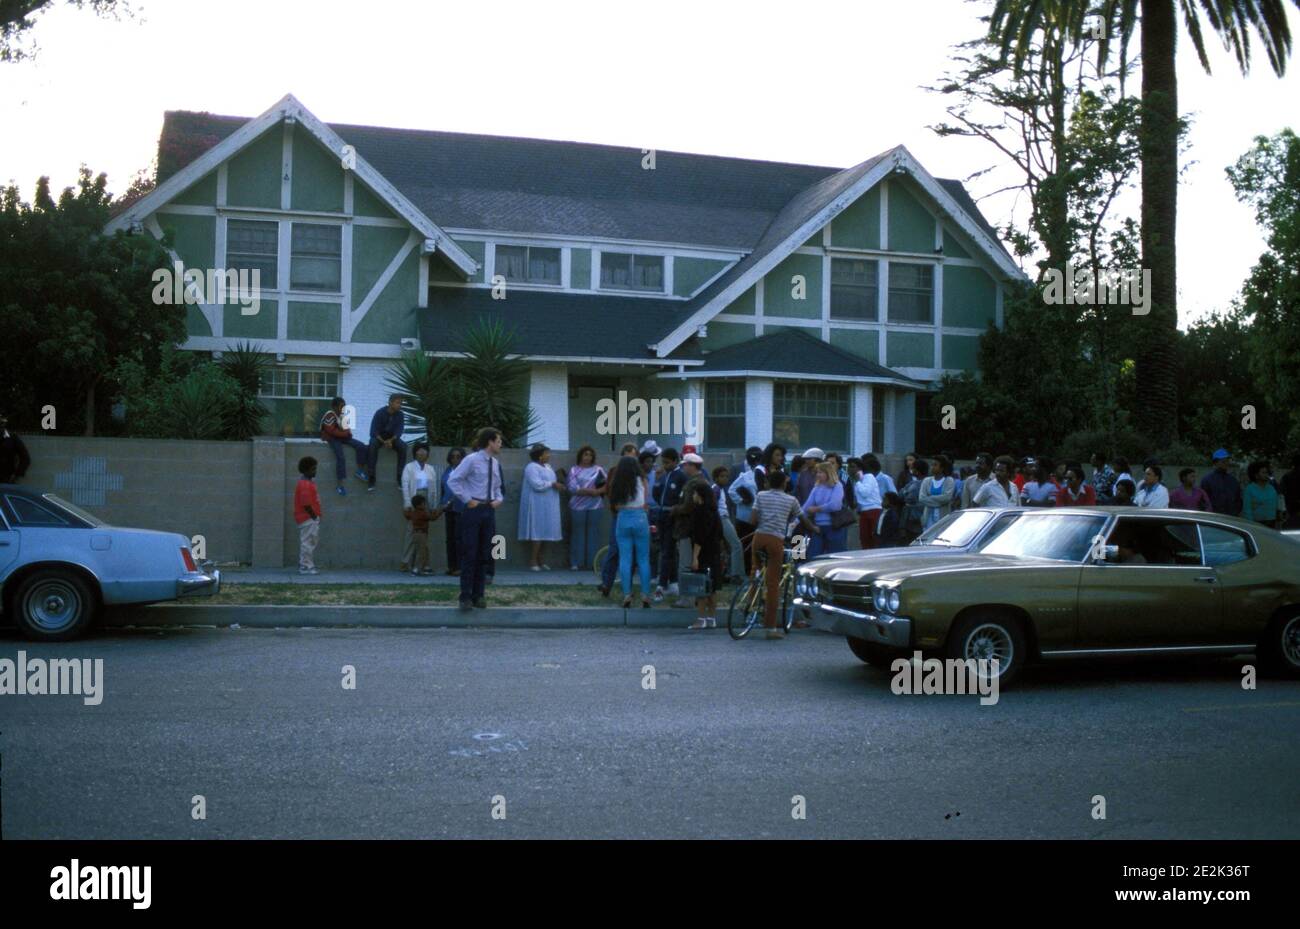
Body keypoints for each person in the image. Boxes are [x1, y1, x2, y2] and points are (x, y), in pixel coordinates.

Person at [750, 470, 819, 640]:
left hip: (758, 538)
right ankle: (771, 628)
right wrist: (814, 528)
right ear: (784, 484)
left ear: (768, 483)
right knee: (773, 584)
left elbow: (753, 519)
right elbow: (803, 520)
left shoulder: (761, 495)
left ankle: (750, 605)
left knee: (756, 572)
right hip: (776, 540)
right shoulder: (791, 500)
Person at [446, 427, 505, 611]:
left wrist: (498, 500)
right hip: (474, 510)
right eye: (498, 441)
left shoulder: (495, 463)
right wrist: (467, 499)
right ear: (490, 442)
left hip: (488, 510)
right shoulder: (471, 460)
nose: (500, 444)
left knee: (484, 554)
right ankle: (465, 596)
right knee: (469, 553)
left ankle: (479, 595)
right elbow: (453, 480)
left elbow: (497, 486)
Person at [609, 455, 653, 609]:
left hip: (623, 517)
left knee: (625, 558)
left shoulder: (617, 482)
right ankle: (646, 595)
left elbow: (613, 503)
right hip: (640, 516)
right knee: (643, 559)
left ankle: (627, 594)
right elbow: (646, 499)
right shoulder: (642, 480)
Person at [598, 443, 640, 597]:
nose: (630, 458)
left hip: (635, 517)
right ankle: (606, 583)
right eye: (627, 454)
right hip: (620, 516)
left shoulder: (638, 474)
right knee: (614, 549)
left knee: (630, 553)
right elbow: (610, 491)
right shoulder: (615, 472)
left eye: (633, 455)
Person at [684, 480, 725, 630]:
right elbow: (720, 534)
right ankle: (711, 618)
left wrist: (695, 557)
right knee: (712, 588)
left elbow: (699, 537)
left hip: (703, 554)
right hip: (714, 552)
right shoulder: (714, 511)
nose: (693, 496)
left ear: (700, 495)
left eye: (695, 493)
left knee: (700, 588)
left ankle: (701, 619)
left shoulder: (699, 512)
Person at [518, 443, 564, 570]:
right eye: (546, 453)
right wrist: (552, 484)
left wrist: (557, 484)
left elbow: (550, 482)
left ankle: (541, 560)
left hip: (549, 505)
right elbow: (536, 485)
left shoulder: (548, 467)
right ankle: (533, 561)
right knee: (537, 531)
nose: (549, 455)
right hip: (536, 504)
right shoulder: (531, 467)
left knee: (546, 532)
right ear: (539, 456)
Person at [653, 448, 686, 601]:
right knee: (667, 550)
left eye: (667, 462)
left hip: (673, 516)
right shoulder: (664, 476)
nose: (664, 465)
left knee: (667, 550)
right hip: (662, 514)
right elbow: (657, 495)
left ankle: (661, 585)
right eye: (663, 462)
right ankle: (673, 583)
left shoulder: (680, 476)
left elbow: (682, 497)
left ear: (675, 461)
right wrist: (657, 482)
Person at [319, 396, 369, 496]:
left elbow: (348, 432)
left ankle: (360, 470)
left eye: (344, 406)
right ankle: (340, 485)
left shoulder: (342, 417)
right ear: (334, 406)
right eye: (341, 406)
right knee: (340, 457)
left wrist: (346, 433)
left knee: (361, 446)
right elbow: (331, 430)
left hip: (341, 437)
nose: (343, 408)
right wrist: (345, 434)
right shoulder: (330, 415)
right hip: (331, 438)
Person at [566, 446, 606, 571]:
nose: (587, 457)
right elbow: (573, 488)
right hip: (577, 506)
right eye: (585, 454)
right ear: (580, 456)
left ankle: (592, 563)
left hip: (595, 505)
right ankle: (576, 562)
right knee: (578, 533)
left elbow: (607, 484)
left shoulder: (599, 469)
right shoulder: (574, 470)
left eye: (590, 455)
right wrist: (591, 492)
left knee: (593, 533)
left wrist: (598, 491)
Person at [400, 443, 438, 572]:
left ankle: (422, 563)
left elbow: (434, 489)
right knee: (412, 531)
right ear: (415, 453)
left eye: (425, 451)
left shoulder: (430, 469)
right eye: (419, 451)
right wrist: (407, 503)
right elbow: (405, 486)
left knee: (424, 533)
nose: (422, 454)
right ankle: (405, 562)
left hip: (426, 501)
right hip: (414, 500)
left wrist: (433, 505)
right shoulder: (409, 467)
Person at [805, 461, 846, 557]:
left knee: (835, 557)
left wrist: (816, 509)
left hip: (834, 527)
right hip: (818, 528)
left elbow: (835, 505)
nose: (818, 475)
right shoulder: (817, 488)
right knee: (813, 556)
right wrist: (795, 521)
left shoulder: (837, 485)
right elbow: (807, 506)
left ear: (828, 473)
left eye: (820, 472)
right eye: (817, 472)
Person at [367, 394, 408, 492]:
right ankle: (371, 477)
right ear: (390, 402)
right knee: (372, 444)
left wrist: (391, 440)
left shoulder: (400, 415)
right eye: (398, 403)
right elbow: (373, 431)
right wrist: (384, 442)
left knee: (403, 447)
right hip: (379, 438)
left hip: (392, 439)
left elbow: (399, 431)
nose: (400, 405)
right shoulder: (380, 413)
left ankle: (400, 477)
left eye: (400, 403)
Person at [712, 465, 745, 582]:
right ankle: (736, 574)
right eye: (722, 476)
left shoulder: (720, 489)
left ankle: (729, 572)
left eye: (726, 476)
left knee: (729, 547)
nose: (725, 479)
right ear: (715, 478)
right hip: (721, 518)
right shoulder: (715, 489)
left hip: (724, 518)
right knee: (736, 545)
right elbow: (714, 507)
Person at [439, 447, 467, 575]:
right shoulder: (447, 471)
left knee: (459, 538)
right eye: (453, 456)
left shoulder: (465, 472)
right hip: (447, 508)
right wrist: (442, 503)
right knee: (449, 538)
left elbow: (461, 489)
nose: (455, 459)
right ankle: (452, 566)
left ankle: (460, 567)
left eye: (458, 456)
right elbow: (443, 488)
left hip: (460, 507)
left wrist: (450, 502)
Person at [293, 456, 322, 575]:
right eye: (313, 469)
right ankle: (305, 566)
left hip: (310, 518)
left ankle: (307, 564)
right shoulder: (305, 484)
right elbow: (306, 504)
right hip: (307, 518)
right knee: (307, 542)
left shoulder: (308, 483)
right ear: (306, 470)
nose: (315, 471)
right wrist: (314, 517)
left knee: (311, 541)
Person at [851, 456, 883, 549]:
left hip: (873, 510)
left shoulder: (869, 477)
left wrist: (858, 482)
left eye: (853, 467)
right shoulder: (857, 480)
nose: (851, 469)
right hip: (863, 511)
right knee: (864, 537)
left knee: (873, 537)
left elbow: (865, 493)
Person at [1200, 449, 1243, 516]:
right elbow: (1203, 501)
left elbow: (1238, 499)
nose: (1226, 463)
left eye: (1227, 461)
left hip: (1231, 517)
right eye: (1223, 461)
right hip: (1214, 517)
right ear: (1216, 463)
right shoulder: (1207, 480)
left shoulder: (1233, 480)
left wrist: (1235, 511)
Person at [919, 455, 956, 528]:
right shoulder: (926, 481)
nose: (932, 467)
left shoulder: (949, 480)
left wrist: (930, 498)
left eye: (935, 465)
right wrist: (939, 503)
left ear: (942, 468)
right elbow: (922, 498)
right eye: (932, 465)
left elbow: (946, 498)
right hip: (928, 518)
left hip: (943, 518)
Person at [1242, 460, 1280, 528]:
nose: (1266, 475)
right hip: (1257, 524)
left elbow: (1277, 506)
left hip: (1272, 523)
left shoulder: (1272, 488)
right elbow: (1247, 510)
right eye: (1263, 473)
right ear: (1256, 475)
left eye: (1267, 473)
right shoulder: (1249, 489)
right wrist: (1251, 525)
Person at [404, 494, 434, 575]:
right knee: (422, 552)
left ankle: (424, 567)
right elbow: (433, 518)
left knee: (421, 550)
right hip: (422, 534)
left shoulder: (413, 513)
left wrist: (407, 509)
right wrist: (442, 510)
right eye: (424, 504)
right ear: (419, 505)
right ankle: (417, 569)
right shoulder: (422, 513)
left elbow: (407, 515)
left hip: (416, 534)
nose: (425, 505)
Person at [899, 458, 928, 541]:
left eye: (913, 468)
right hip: (915, 517)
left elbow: (907, 497)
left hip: (914, 518)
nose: (911, 470)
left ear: (917, 470)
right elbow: (900, 493)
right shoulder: (913, 482)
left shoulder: (918, 484)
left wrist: (905, 492)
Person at [0, 412, 31, 483]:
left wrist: (17, 475)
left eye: (1, 423)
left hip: (6, 478)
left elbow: (25, 458)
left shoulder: (13, 438)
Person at [1281, 454, 1300, 529]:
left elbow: (1282, 493)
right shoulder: (1288, 477)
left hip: (1291, 509)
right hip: (1292, 509)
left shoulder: (1287, 476)